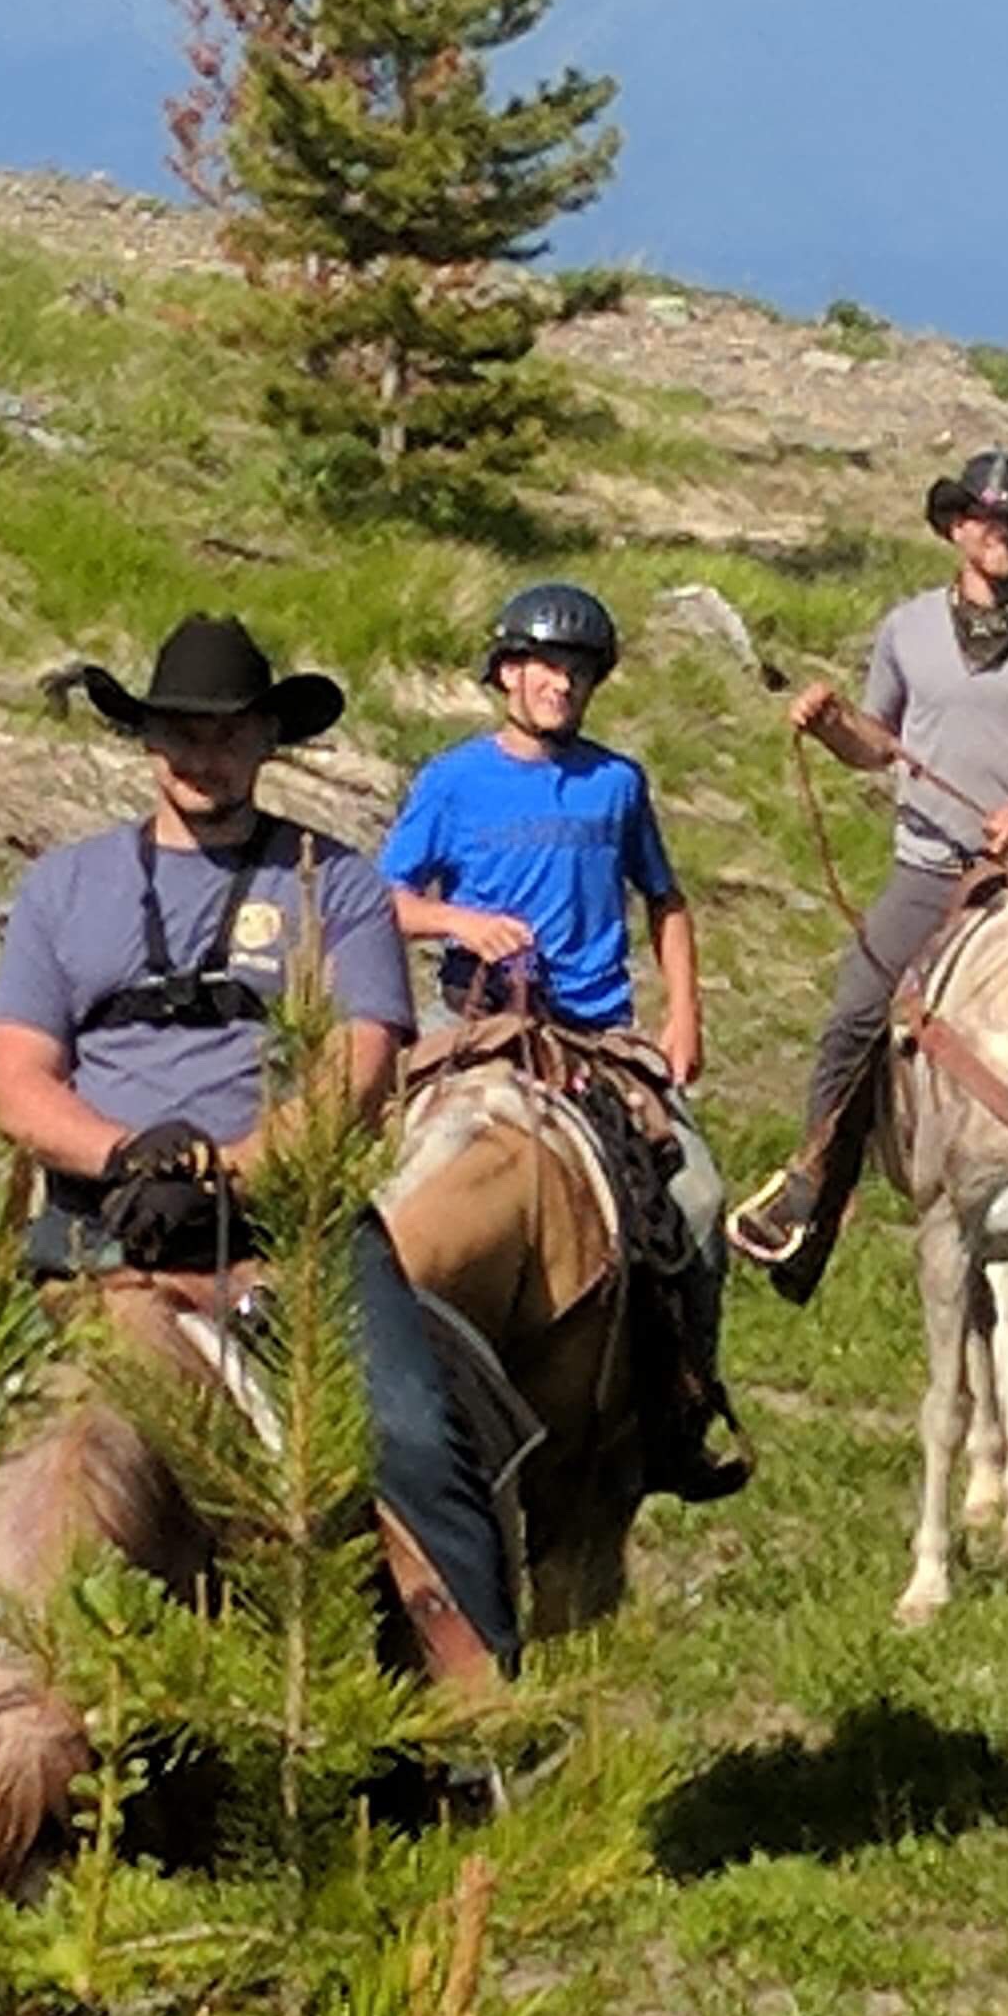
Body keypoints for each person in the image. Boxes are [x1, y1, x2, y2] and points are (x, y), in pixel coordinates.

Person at [0, 612, 516, 1688]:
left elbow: (359, 1066)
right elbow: (16, 1078)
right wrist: (127, 1155)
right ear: (147, 738)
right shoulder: (64, 887)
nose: (203, 754)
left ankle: (477, 1713)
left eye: (228, 732)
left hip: (287, 1235)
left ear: (270, 739)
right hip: (95, 1230)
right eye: (181, 729)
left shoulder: (337, 885)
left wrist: (230, 1170)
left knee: (413, 1441)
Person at [726, 449, 1008, 1300]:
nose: (1003, 532)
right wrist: (832, 727)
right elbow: (879, 744)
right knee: (855, 1013)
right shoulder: (907, 628)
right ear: (955, 527)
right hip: (932, 871)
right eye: (987, 518)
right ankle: (810, 1193)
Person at [379, 580, 749, 1500]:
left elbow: (665, 901)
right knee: (372, 1176)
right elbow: (384, 900)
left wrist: (684, 1014)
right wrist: (459, 922)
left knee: (700, 1201)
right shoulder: (451, 780)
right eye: (545, 666)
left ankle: (682, 1409)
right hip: (474, 1024)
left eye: (579, 671)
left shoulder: (617, 783)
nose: (562, 684)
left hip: (595, 1032)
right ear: (507, 673)